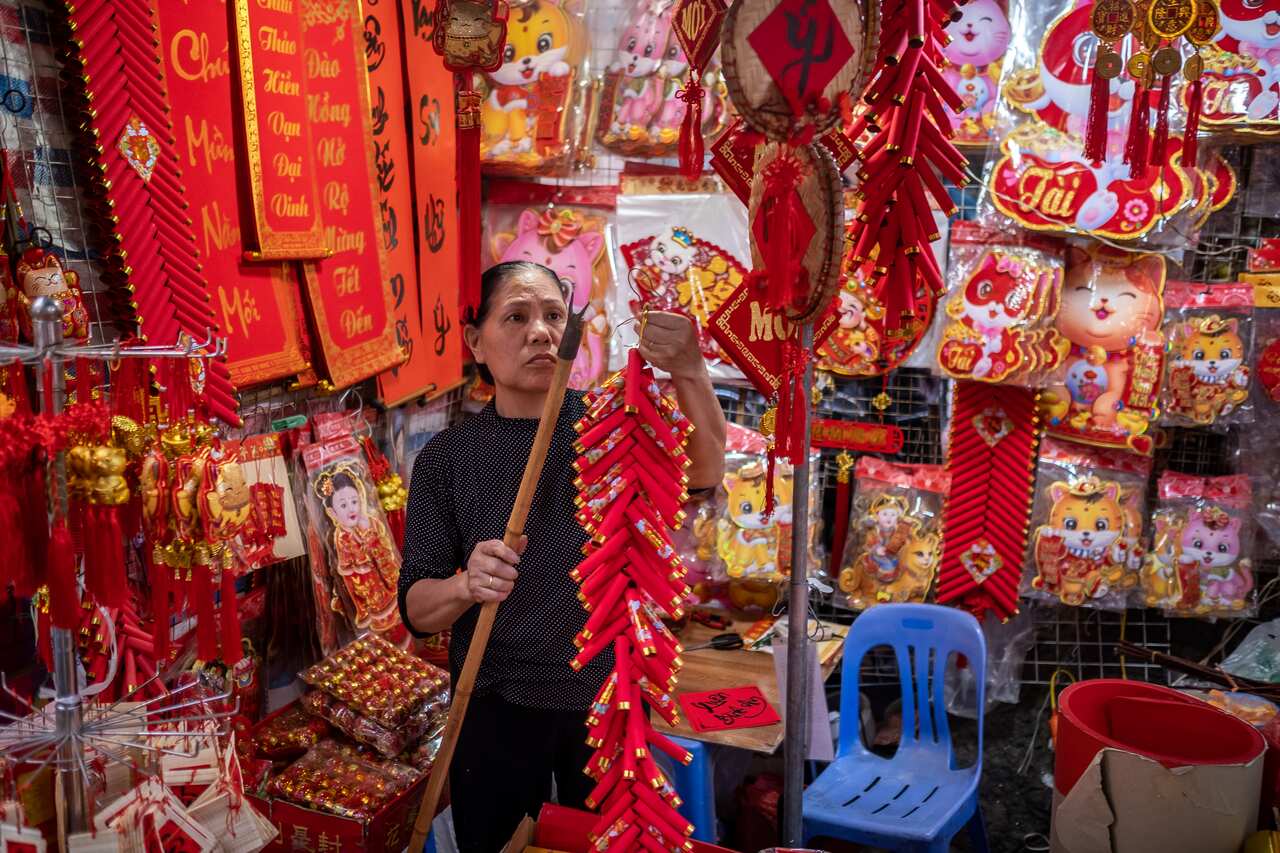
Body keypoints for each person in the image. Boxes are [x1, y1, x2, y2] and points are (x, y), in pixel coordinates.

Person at [399, 261, 727, 851]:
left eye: (554, 316)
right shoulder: (447, 458)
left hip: (607, 701)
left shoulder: (611, 427)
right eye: (516, 317)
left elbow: (703, 471)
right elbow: (418, 612)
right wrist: (465, 584)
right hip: (492, 702)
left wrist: (690, 370)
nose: (540, 332)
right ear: (475, 341)